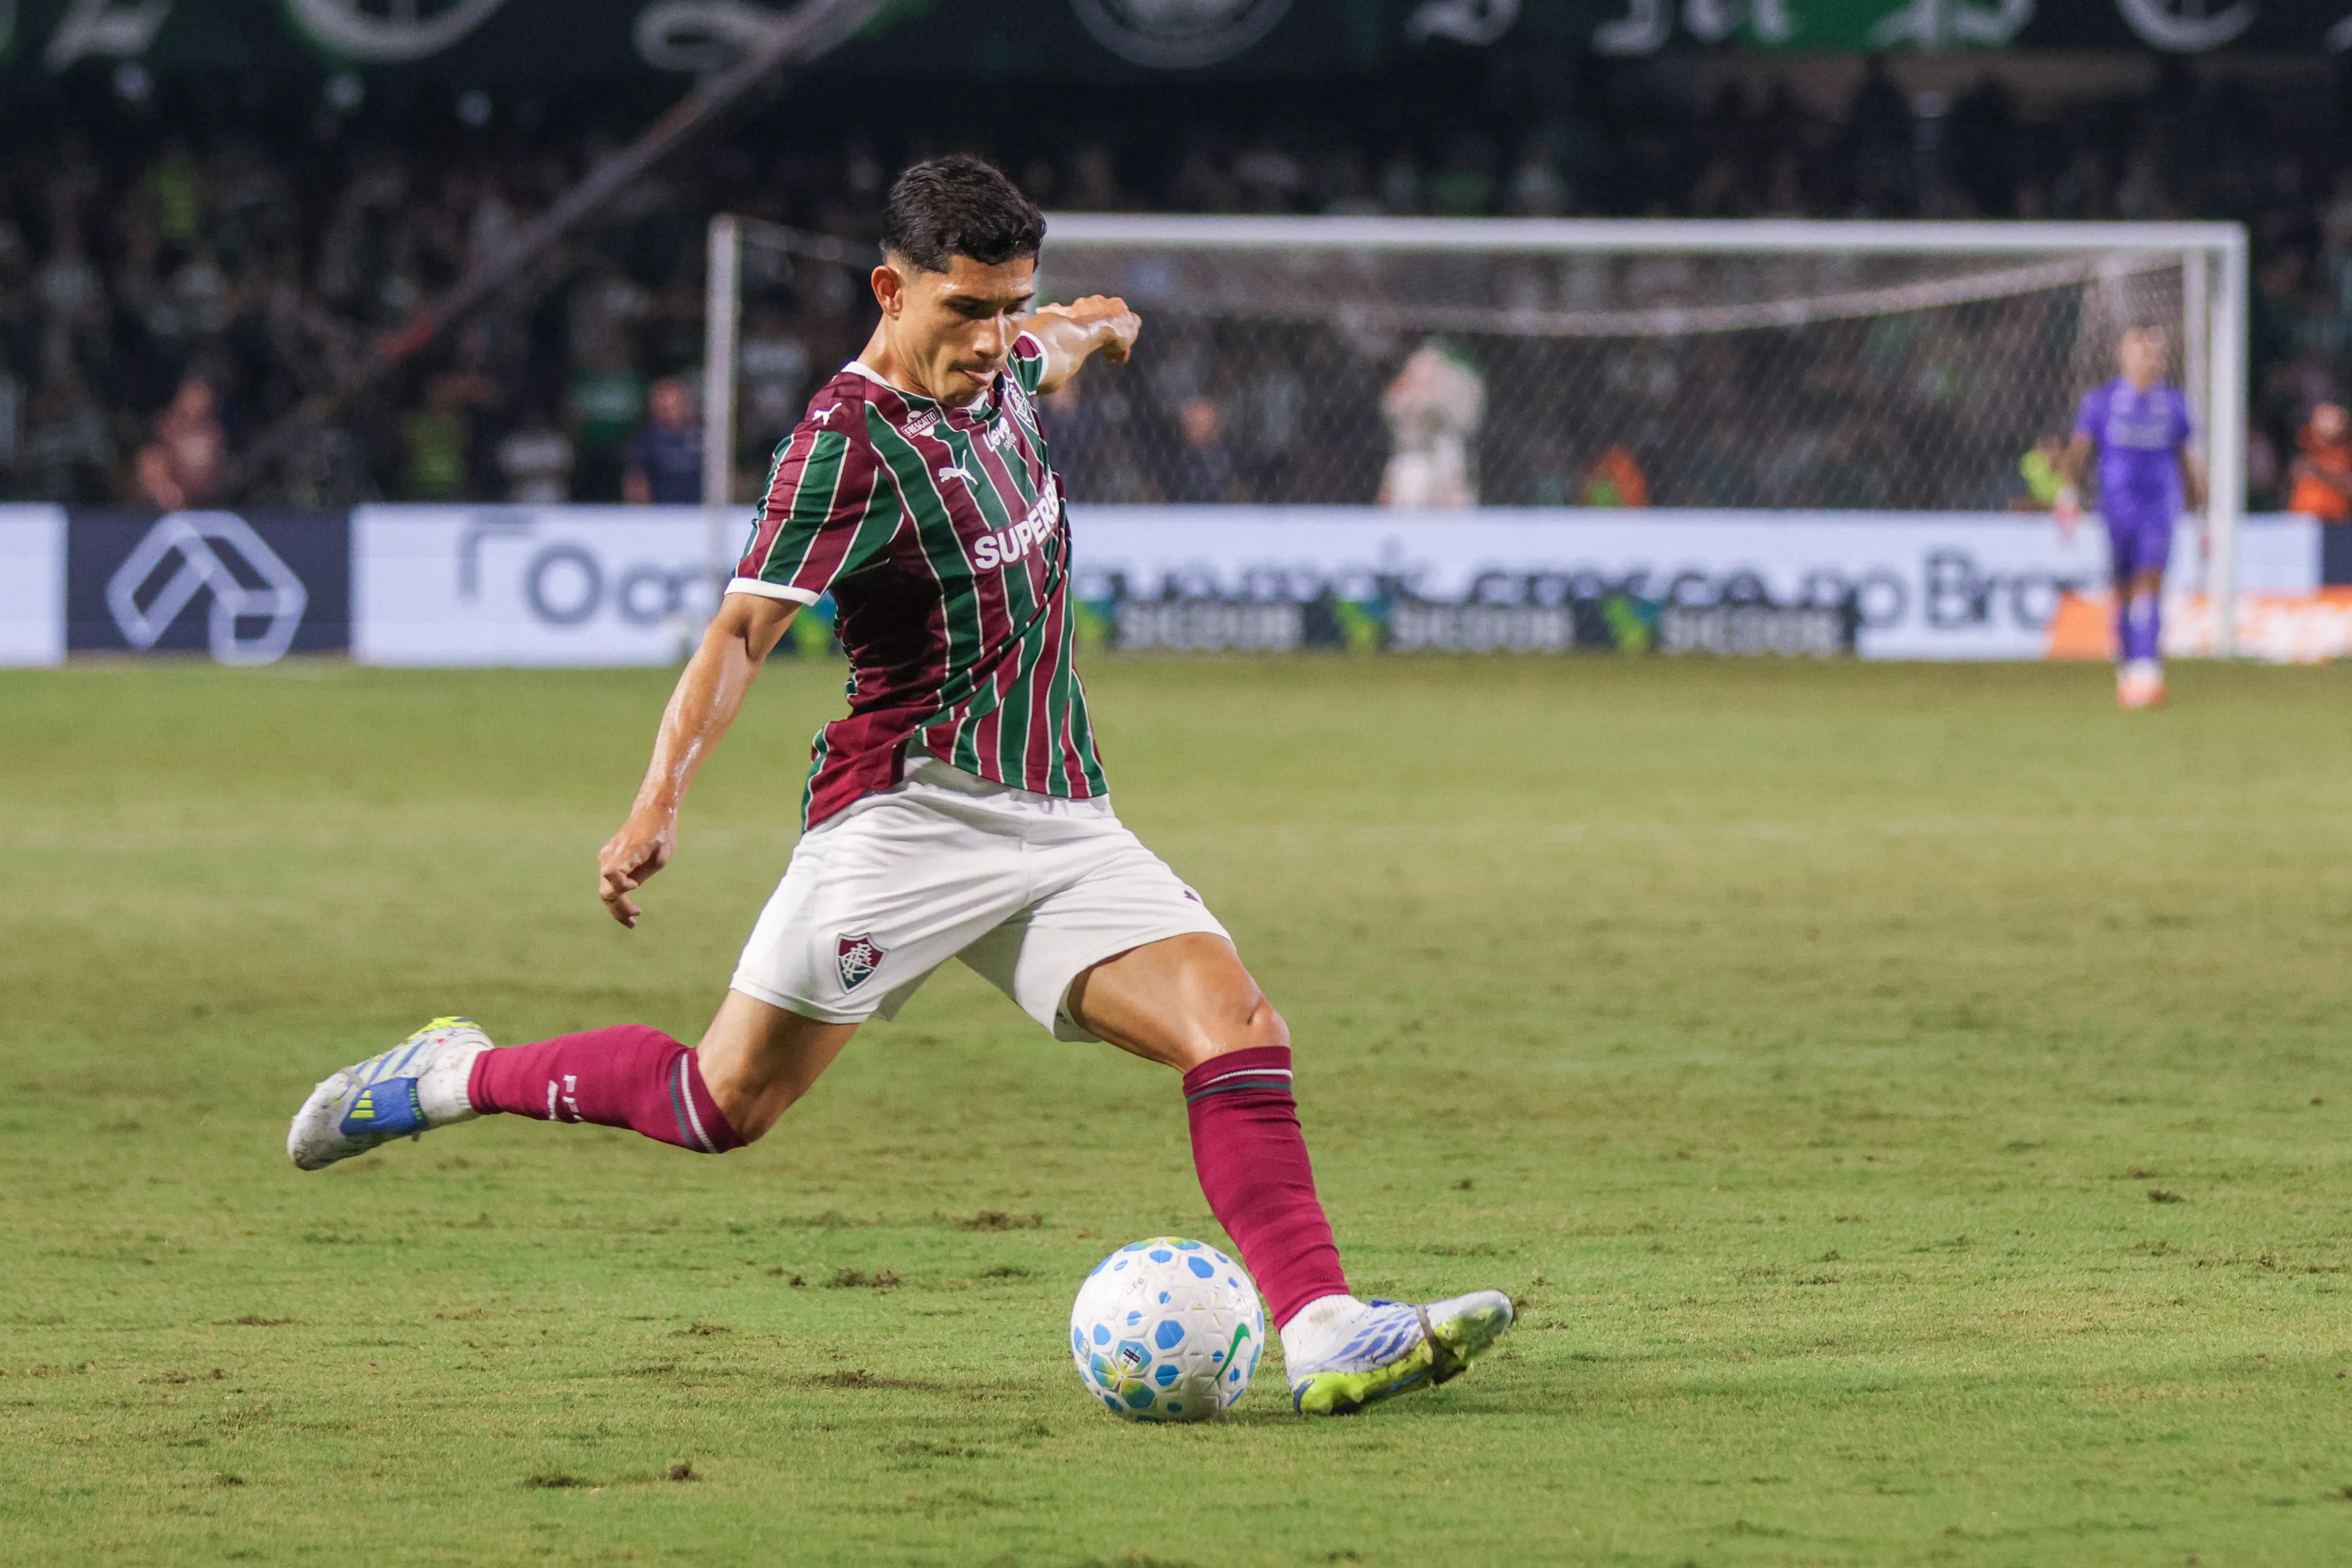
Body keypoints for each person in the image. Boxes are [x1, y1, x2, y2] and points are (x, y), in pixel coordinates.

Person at [287, 156, 1511, 1418]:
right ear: (892, 288)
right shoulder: (843, 446)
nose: (989, 340)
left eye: (1006, 305)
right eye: (964, 311)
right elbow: (737, 636)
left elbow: (1058, 343)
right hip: (908, 817)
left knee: (1239, 1027)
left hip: (1064, 819)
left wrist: (1093, 324)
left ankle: (1319, 1327)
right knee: (720, 1104)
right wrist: (656, 803)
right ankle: (449, 1074)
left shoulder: (1004, 367)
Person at [2056, 326, 2204, 708]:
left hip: (2159, 506)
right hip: (2116, 507)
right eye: (2140, 350)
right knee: (2122, 588)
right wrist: (2067, 494)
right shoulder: (2102, 402)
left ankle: (2148, 670)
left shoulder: (2173, 404)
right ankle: (2127, 666)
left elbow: (2187, 458)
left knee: (2150, 582)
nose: (2148, 358)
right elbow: (2080, 453)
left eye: (2155, 351)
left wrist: (2202, 507)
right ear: (2123, 356)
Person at [1379, 340, 1483, 508]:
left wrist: (1434, 400)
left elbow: (1466, 419)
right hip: (1414, 455)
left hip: (1447, 453)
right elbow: (1393, 409)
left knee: (1454, 496)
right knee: (1409, 484)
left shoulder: (1458, 384)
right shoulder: (1403, 388)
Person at [2288, 400, 2352, 585]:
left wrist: (2321, 473)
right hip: (2303, 528)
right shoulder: (2304, 445)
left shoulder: (2346, 453)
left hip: (2337, 530)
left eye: (2334, 419)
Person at [623, 375, 703, 505]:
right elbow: (636, 482)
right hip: (662, 516)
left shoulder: (701, 437)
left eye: (673, 405)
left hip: (702, 514)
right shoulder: (646, 441)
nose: (668, 411)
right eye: (663, 405)